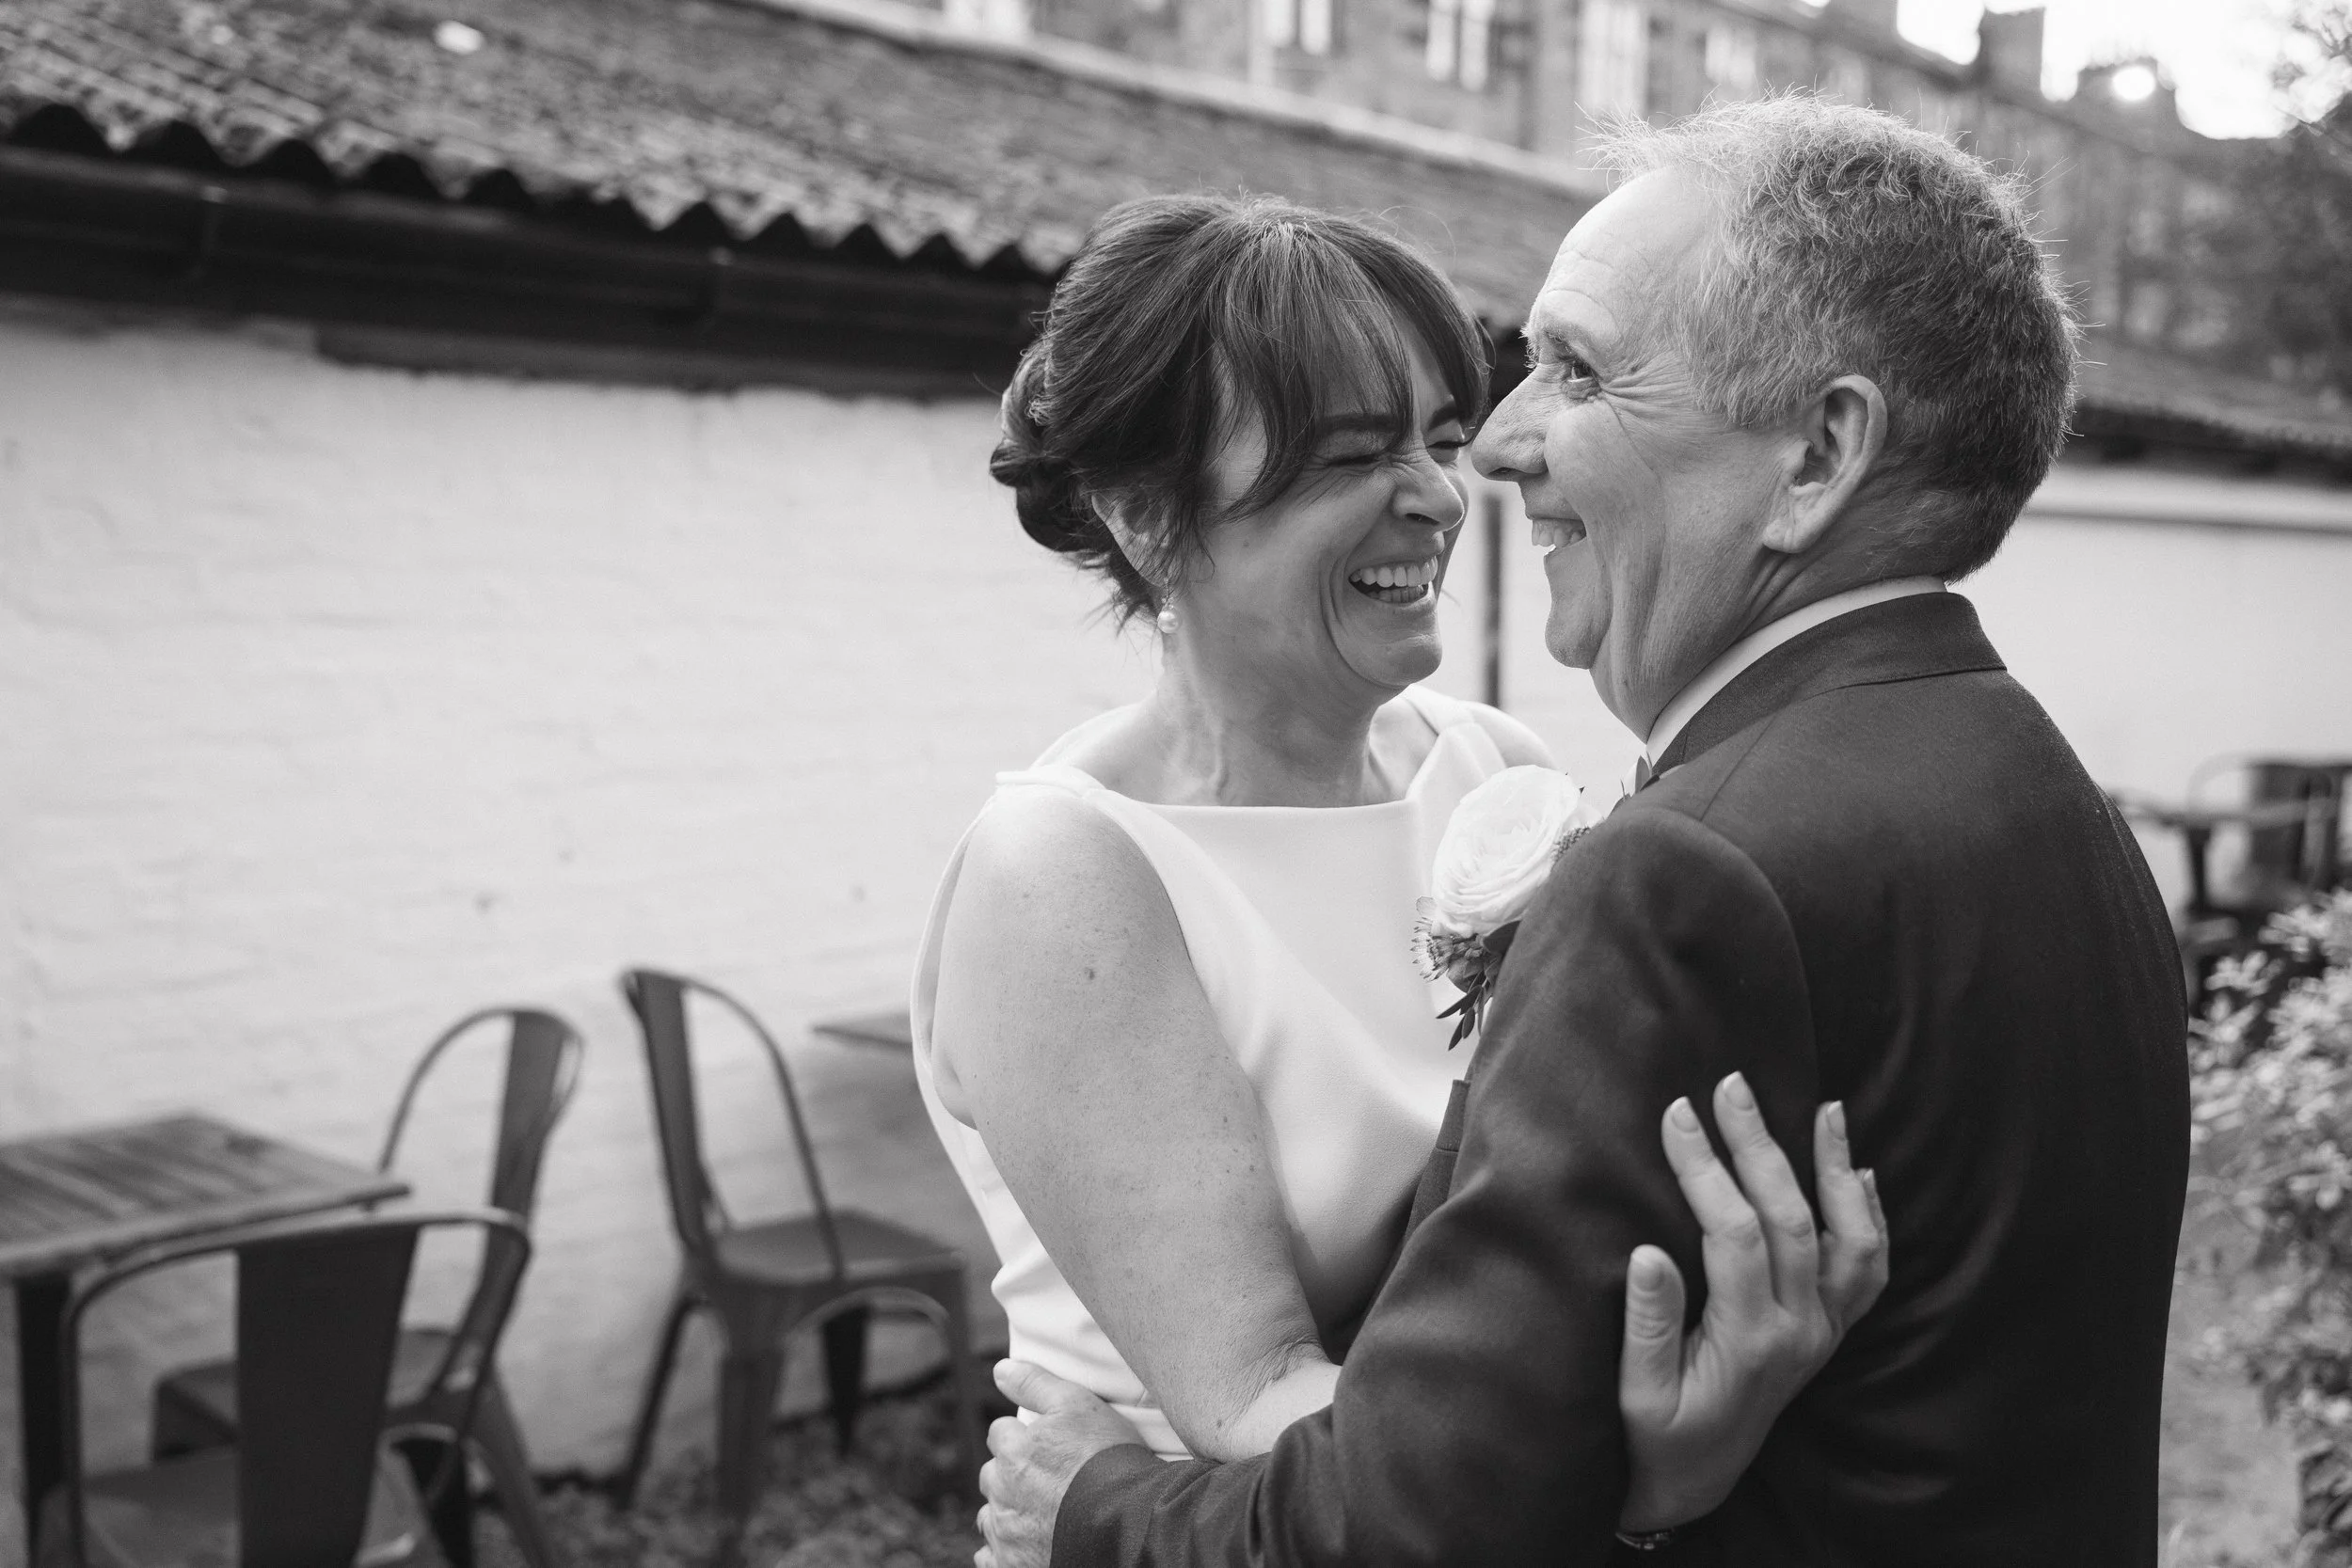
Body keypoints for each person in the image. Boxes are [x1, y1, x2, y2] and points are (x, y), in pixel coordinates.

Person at [981, 96, 2190, 1566]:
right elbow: (1388, 1417)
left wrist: (1618, 1474)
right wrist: (1627, 1471)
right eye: (1344, 452)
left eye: (1572, 372)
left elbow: (1443, 1487)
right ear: (1148, 515)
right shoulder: (2032, 780)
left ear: (1816, 458)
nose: (1473, 464)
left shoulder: (1555, 799)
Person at [911, 189, 1887, 1545]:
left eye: (1437, 435)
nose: (1439, 494)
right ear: (1144, 513)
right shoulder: (1066, 874)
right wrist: (1662, 1461)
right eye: (1350, 456)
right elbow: (1255, 1397)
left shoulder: (1481, 768)